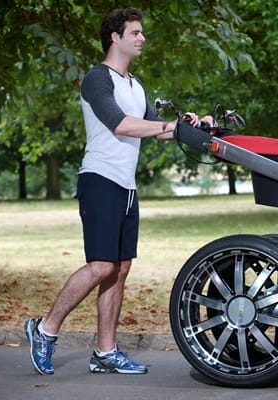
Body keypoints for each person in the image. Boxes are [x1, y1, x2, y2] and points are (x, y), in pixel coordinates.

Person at [24, 7, 208, 376]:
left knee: (120, 270)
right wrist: (167, 126)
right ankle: (44, 329)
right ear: (115, 37)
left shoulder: (136, 85)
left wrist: (193, 127)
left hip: (126, 186)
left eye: (142, 32)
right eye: (136, 32)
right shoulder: (96, 79)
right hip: (100, 179)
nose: (142, 38)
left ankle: (105, 352)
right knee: (101, 266)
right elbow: (121, 125)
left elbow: (156, 127)